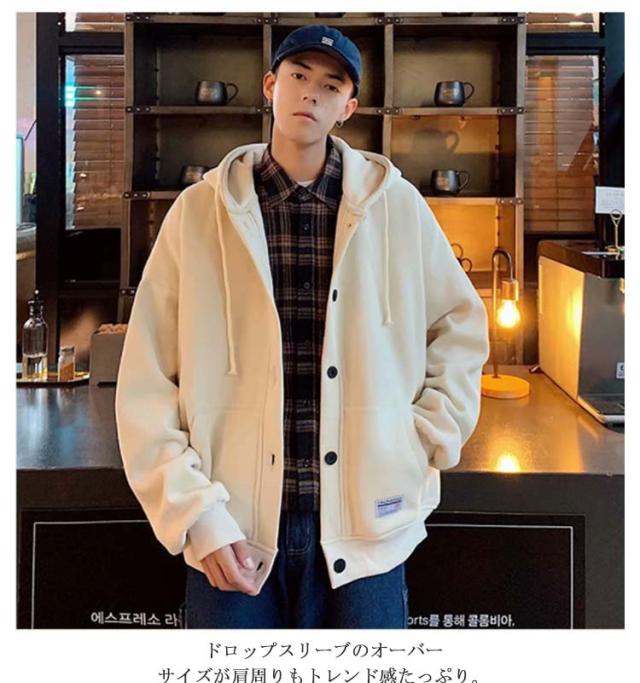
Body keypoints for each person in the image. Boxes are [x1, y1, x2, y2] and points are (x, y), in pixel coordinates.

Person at [114, 24, 490, 629]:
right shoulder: (199, 212)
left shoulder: (396, 206)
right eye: (297, 76)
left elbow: (459, 326)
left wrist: (419, 439)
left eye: (331, 85)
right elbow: (147, 378)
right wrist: (195, 514)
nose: (311, 93)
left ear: (349, 108)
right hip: (232, 523)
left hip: (370, 522)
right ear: (270, 86)